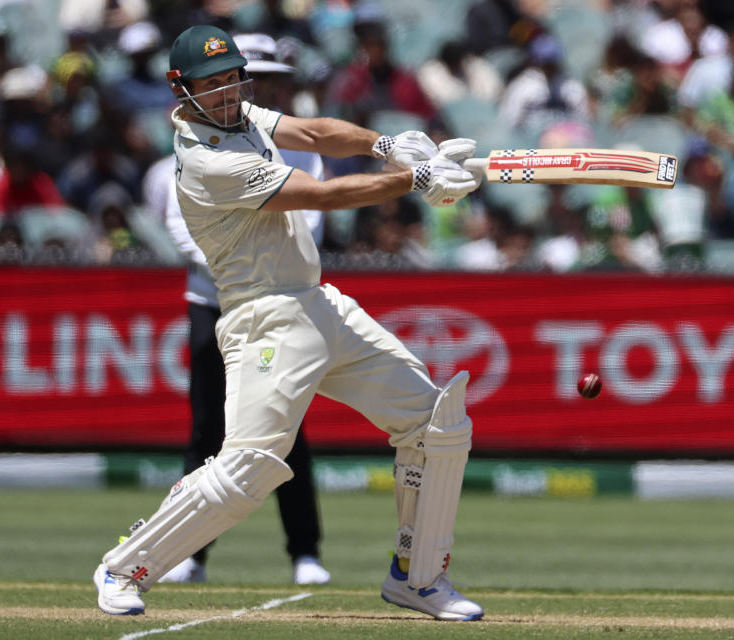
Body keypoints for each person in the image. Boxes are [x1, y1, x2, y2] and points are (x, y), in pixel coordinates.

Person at [92, 25, 484, 622]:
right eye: (211, 84)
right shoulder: (208, 160)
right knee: (249, 465)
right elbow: (317, 195)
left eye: (232, 79)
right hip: (264, 318)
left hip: (316, 300)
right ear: (181, 90)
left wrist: (390, 145)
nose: (226, 93)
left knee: (435, 423)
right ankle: (124, 565)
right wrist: (417, 180)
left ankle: (419, 577)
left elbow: (314, 132)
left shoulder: (238, 113)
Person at [154, 32, 331, 587]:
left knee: (286, 428)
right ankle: (190, 554)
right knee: (207, 431)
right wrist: (234, 261)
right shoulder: (193, 141)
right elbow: (179, 226)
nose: (245, 88)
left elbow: (313, 219)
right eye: (228, 76)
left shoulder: (299, 143)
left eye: (259, 77)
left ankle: (305, 553)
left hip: (278, 304)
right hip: (214, 301)